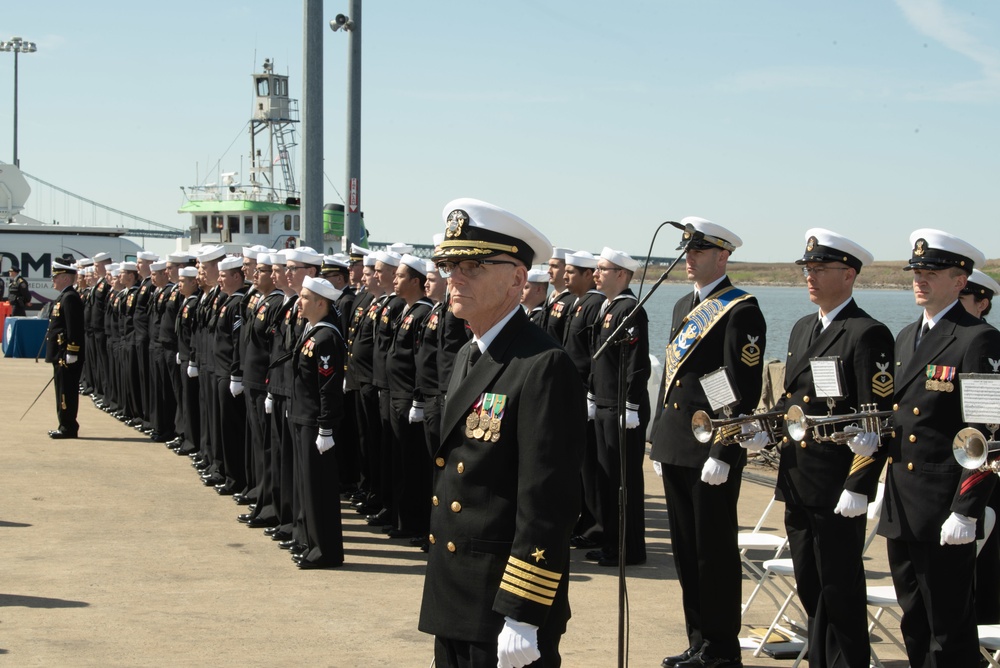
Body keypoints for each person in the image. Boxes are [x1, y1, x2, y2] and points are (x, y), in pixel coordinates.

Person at [419, 198, 585, 668]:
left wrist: (524, 613)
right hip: (456, 593)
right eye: (450, 264)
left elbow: (548, 503)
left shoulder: (542, 365)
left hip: (499, 604)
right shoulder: (471, 353)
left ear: (516, 278)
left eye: (471, 265)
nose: (455, 276)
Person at [755, 229, 893, 668]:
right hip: (798, 478)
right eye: (807, 269)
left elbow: (876, 419)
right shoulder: (802, 327)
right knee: (812, 587)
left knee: (840, 590)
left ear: (849, 275)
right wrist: (768, 430)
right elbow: (792, 399)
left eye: (820, 269)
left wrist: (859, 484)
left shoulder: (866, 333)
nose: (810, 277)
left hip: (836, 484)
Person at [878, 229, 1000, 668]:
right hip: (903, 503)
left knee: (948, 630)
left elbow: (986, 432)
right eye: (916, 271)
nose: (919, 279)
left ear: (960, 280)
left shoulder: (976, 338)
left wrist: (967, 509)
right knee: (913, 622)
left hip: (943, 505)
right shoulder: (907, 335)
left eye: (931, 272)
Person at [649, 217, 766, 668]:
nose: (688, 258)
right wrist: (661, 436)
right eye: (686, 250)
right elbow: (674, 382)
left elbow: (735, 386)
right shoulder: (684, 305)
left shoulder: (740, 310)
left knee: (712, 553)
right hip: (678, 443)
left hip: (710, 447)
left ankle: (720, 648)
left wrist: (723, 449)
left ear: (722, 256)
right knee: (685, 551)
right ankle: (697, 640)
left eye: (697, 251)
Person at [586, 247, 650, 567]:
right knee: (607, 479)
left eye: (602, 269)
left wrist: (631, 404)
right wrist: (592, 394)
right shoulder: (607, 307)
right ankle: (612, 543)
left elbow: (637, 365)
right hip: (605, 403)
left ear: (621, 275)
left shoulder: (630, 309)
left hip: (622, 408)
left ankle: (629, 548)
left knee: (624, 482)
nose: (596, 274)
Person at [288, 275, 347, 569]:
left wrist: (325, 427)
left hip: (315, 423)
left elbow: (329, 386)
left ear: (321, 303)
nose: (300, 302)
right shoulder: (311, 332)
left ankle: (325, 551)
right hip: (302, 417)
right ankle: (311, 543)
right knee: (306, 486)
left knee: (319, 489)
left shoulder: (326, 337)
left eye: (305, 298)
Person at [958, 268, 1000, 626]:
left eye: (963, 298)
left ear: (982, 303)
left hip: (980, 469)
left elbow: (987, 418)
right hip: (954, 469)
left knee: (983, 569)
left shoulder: (984, 341)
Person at [561, 250, 606, 551]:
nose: (565, 277)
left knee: (590, 467)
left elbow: (593, 355)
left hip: (584, 393)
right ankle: (584, 522)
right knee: (578, 466)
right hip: (572, 392)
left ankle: (594, 528)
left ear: (588, 275)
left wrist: (590, 393)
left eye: (571, 272)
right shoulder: (579, 304)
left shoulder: (594, 305)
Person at [45, 258, 85, 439]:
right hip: (60, 354)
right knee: (62, 389)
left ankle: (68, 427)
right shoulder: (64, 296)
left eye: (56, 277)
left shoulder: (70, 298)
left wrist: (72, 351)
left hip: (66, 355)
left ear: (66, 279)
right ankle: (64, 423)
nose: (53, 280)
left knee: (66, 392)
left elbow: (74, 328)